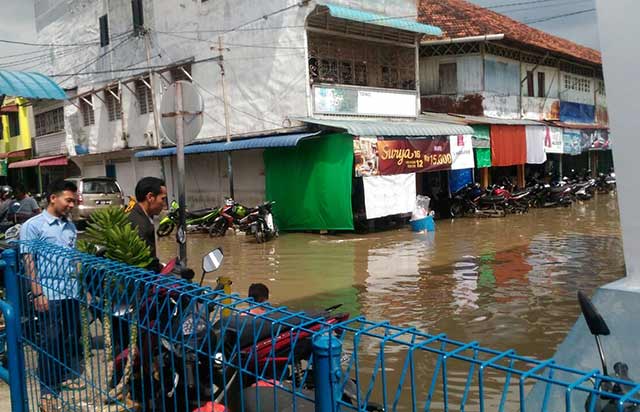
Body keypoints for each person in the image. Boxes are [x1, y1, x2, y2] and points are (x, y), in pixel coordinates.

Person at [19, 180, 80, 411]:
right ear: (53, 198)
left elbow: (74, 259)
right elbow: (28, 261)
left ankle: (64, 375)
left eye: (74, 201)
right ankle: (47, 389)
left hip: (71, 291)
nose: (72, 205)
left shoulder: (70, 226)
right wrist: (38, 294)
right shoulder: (34, 226)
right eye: (69, 200)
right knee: (49, 340)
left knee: (68, 337)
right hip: (49, 293)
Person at [128, 177, 167, 272]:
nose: (165, 204)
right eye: (163, 199)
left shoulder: (136, 214)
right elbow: (147, 262)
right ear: (150, 197)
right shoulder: (141, 226)